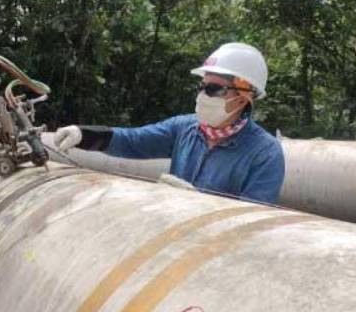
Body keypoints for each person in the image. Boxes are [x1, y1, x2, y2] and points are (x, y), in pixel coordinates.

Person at [55, 42, 285, 204]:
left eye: (214, 89)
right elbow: (134, 141)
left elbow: (252, 223)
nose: (202, 95)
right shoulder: (184, 128)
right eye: (202, 87)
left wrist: (201, 205)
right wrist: (85, 135)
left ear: (244, 97)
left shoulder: (264, 153)